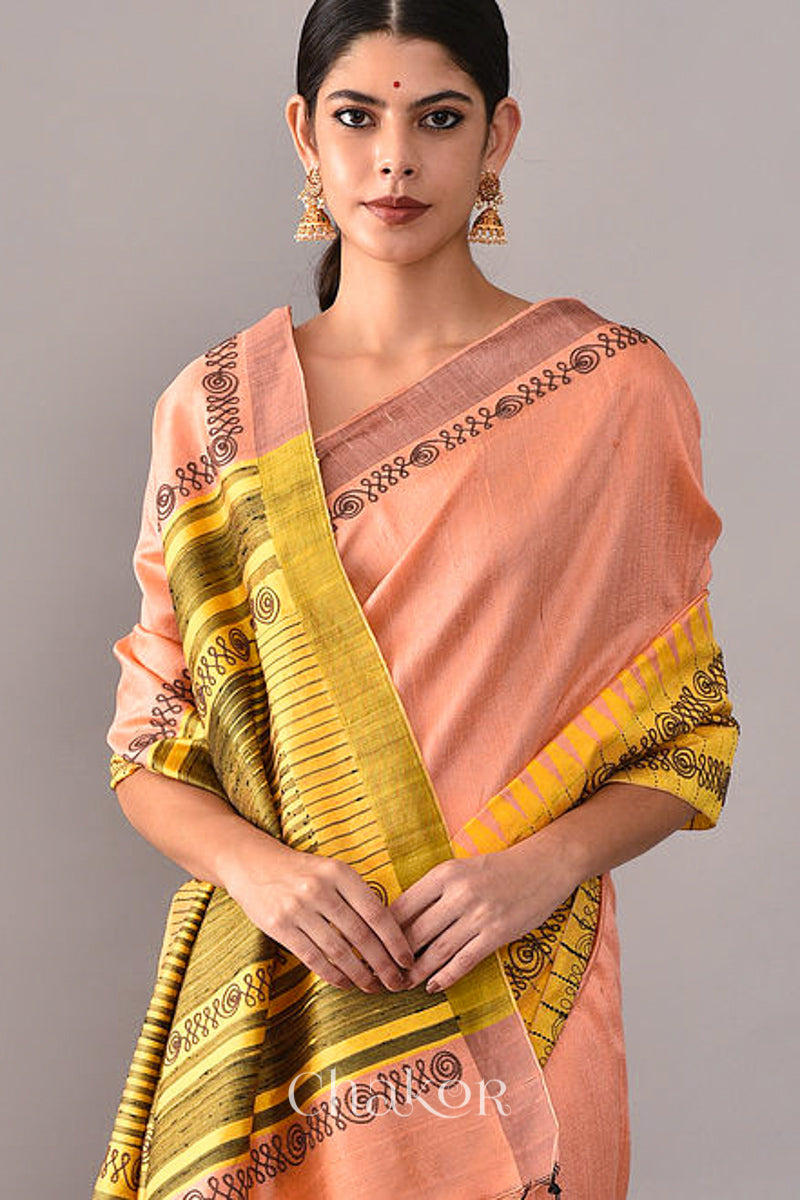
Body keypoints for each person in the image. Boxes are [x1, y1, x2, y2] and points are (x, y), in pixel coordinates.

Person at [92, 3, 740, 1198]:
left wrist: (537, 869)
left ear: (496, 136)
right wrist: (259, 871)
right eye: (356, 117)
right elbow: (147, 743)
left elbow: (684, 728)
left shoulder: (609, 391)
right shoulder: (217, 411)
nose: (394, 160)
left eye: (437, 119)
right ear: (304, 134)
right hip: (278, 1010)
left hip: (515, 986)